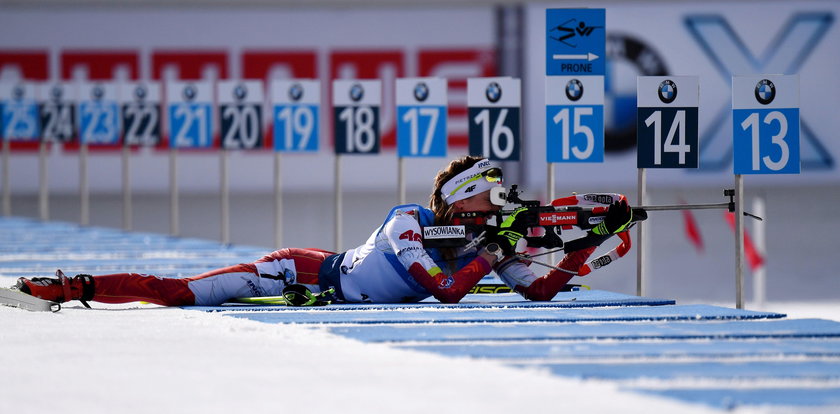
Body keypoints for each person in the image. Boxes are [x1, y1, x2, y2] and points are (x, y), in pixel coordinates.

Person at [15, 156, 632, 307]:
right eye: (494, 200)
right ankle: (73, 285)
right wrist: (496, 249)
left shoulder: (480, 243)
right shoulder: (407, 222)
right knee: (180, 293)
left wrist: (585, 243)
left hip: (336, 282)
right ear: (468, 201)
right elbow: (444, 289)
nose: (503, 209)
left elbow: (539, 289)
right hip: (301, 270)